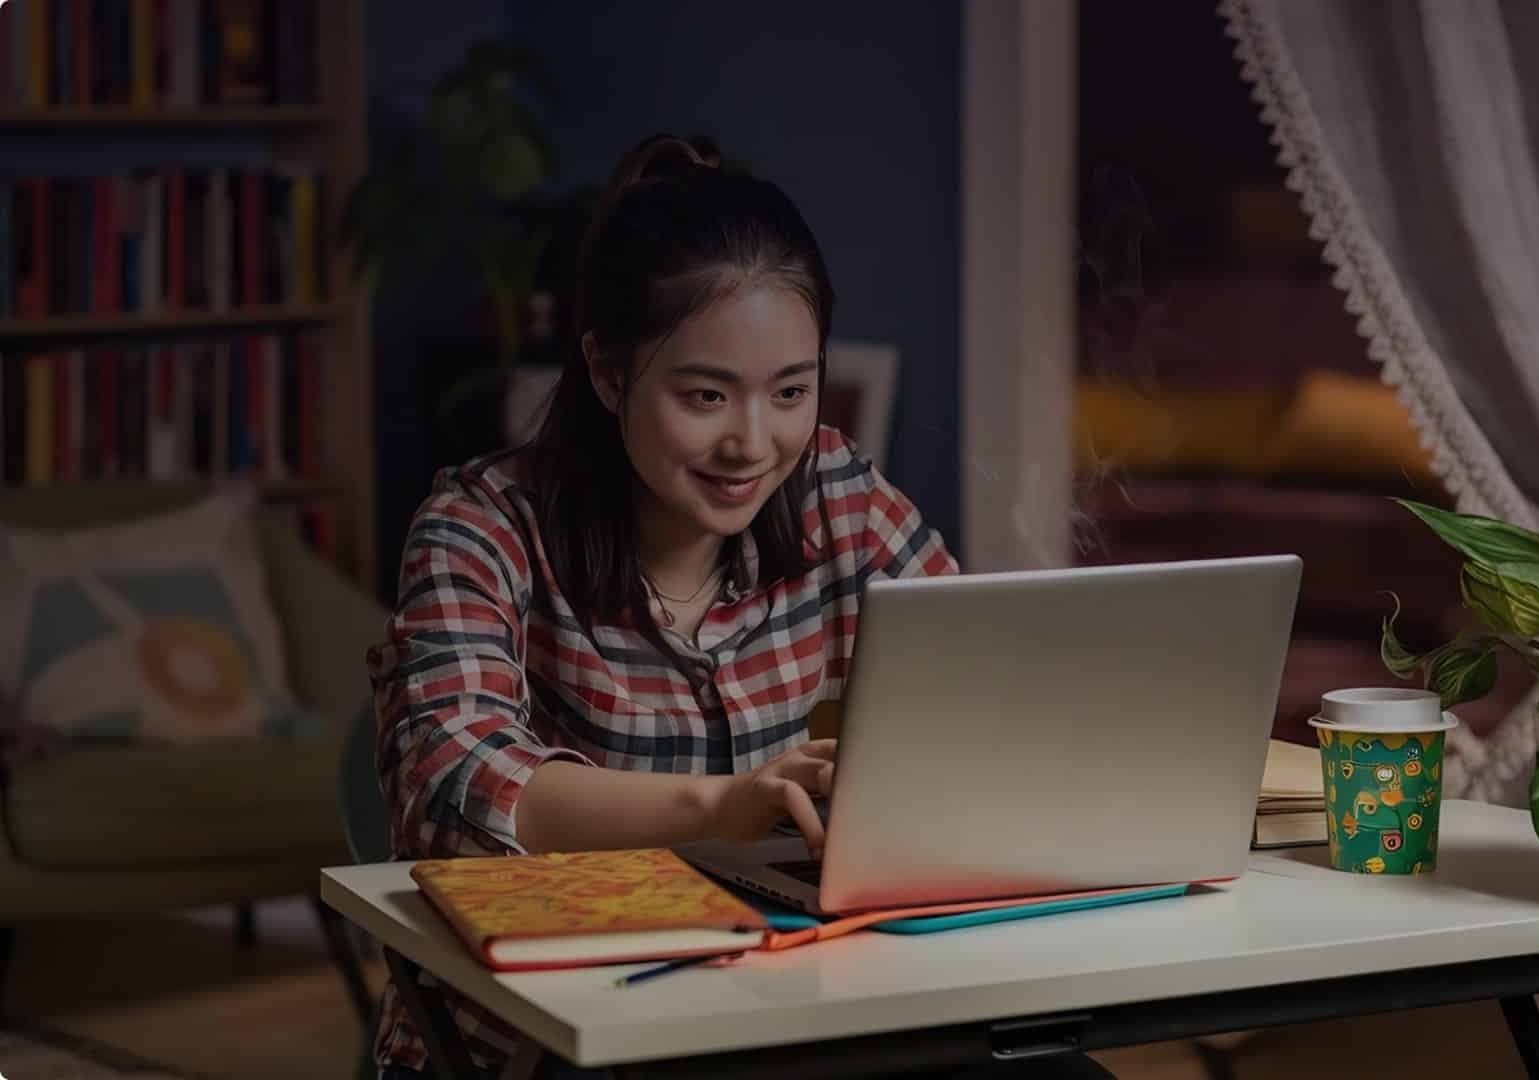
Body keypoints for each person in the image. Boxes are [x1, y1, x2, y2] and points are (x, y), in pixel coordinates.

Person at [366, 134, 1117, 1079]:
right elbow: (452, 780)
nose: (752, 444)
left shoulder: (839, 492)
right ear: (606, 373)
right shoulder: (481, 524)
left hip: (802, 1007)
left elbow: (981, 686)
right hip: (551, 1038)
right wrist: (724, 805)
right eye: (706, 396)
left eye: (791, 392)